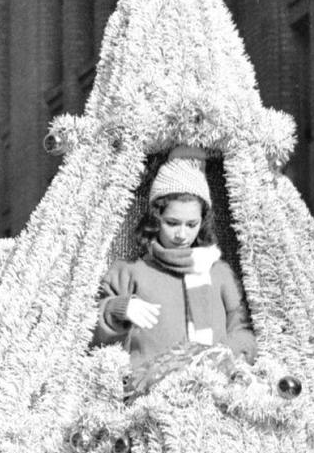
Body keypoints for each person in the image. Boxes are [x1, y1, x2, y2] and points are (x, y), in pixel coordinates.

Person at [93, 145, 255, 371]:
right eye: (172, 223)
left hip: (212, 389)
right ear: (155, 217)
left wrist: (224, 356)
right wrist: (117, 309)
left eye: (191, 225)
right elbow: (90, 333)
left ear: (203, 221)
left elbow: (243, 330)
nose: (181, 234)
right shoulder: (129, 272)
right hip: (148, 394)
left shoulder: (218, 273)